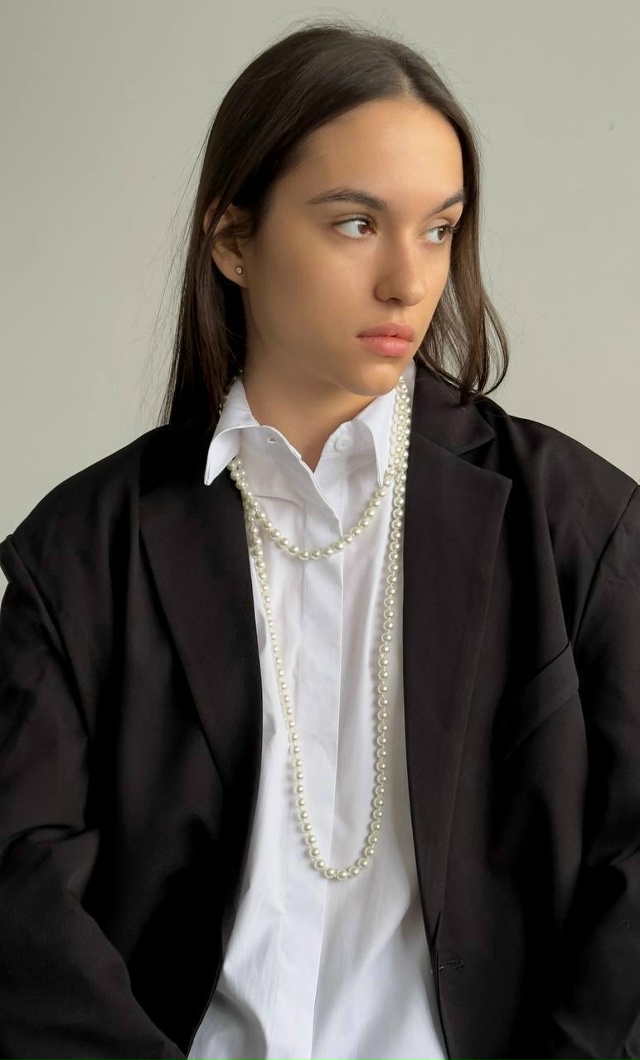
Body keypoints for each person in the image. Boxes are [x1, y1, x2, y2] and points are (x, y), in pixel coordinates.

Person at [0, 19, 638, 1060]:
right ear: (232, 240)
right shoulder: (80, 554)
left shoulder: (578, 522)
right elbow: (20, 896)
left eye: (438, 229)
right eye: (355, 223)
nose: (408, 281)